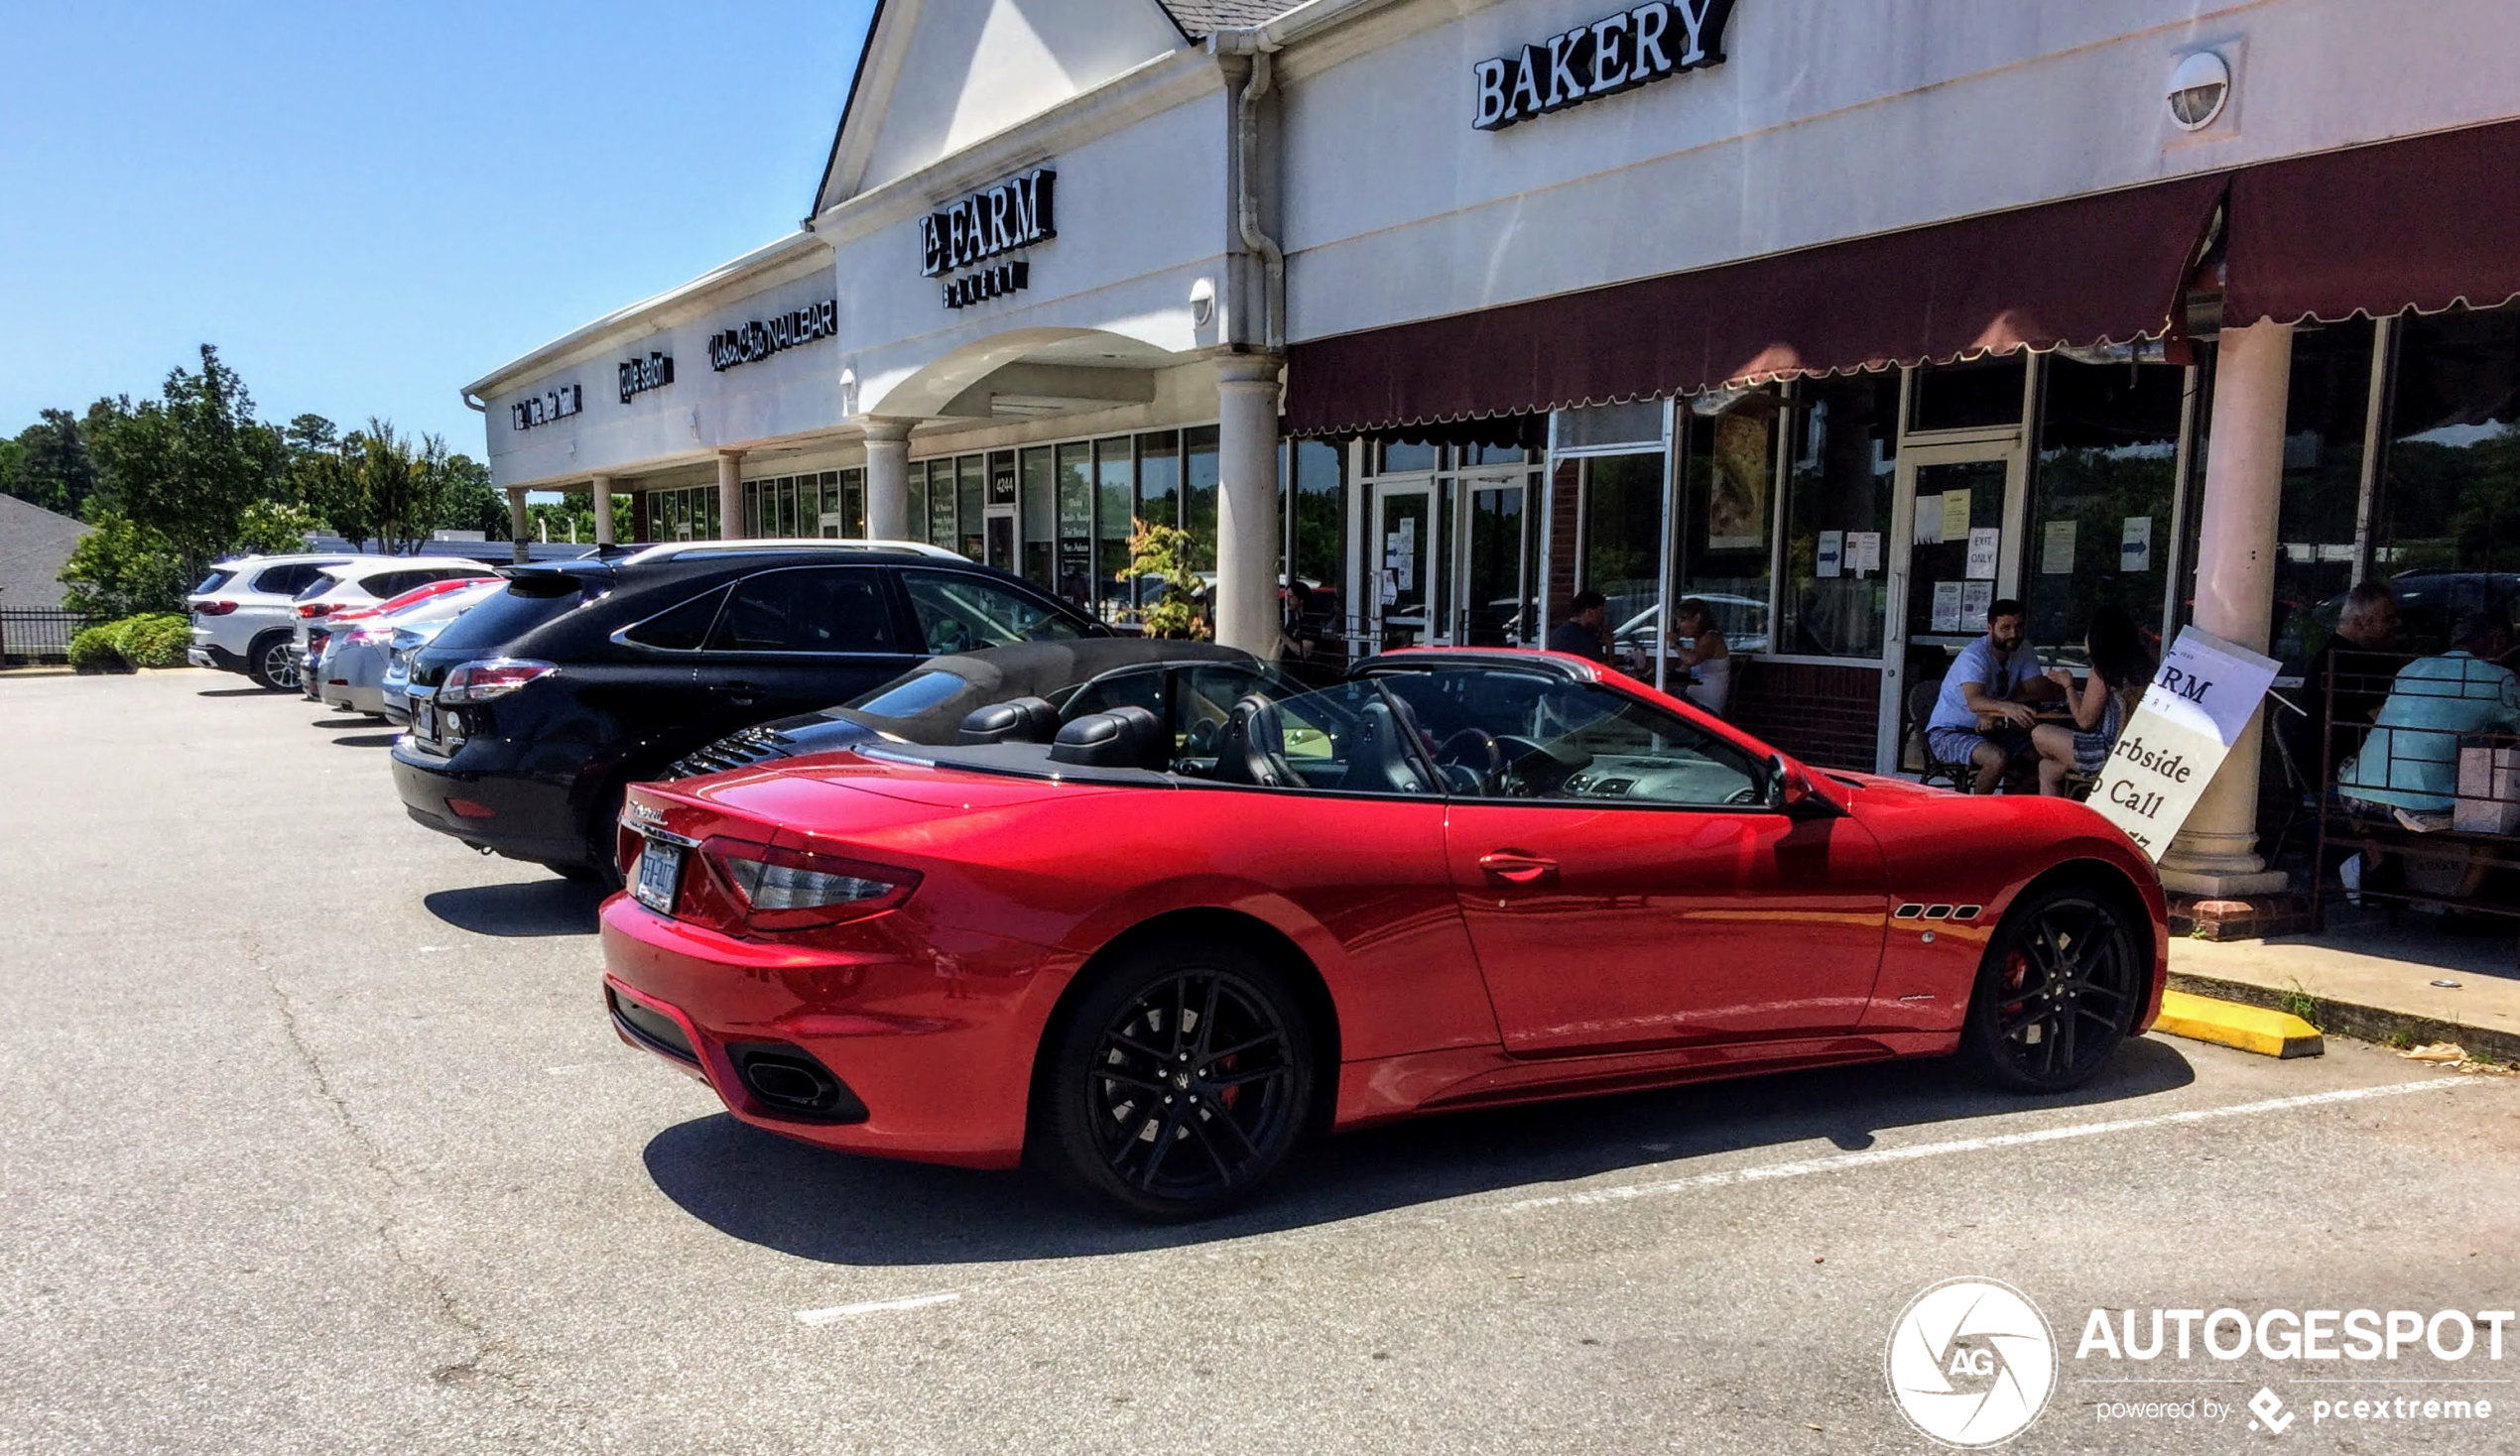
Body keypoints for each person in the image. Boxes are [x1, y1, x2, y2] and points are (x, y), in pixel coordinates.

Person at [2337, 612, 2520, 828]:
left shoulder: (2414, 667)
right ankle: (2478, 861)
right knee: (2495, 788)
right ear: (2497, 641)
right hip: (2422, 808)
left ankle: (2377, 858)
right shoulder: (2502, 681)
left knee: (2349, 764)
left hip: (2358, 799)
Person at [1926, 598, 2061, 793]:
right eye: (2005, 628)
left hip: (1992, 731)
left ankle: (2013, 809)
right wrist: (2007, 708)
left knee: (2043, 756)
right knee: (1996, 758)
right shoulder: (1974, 656)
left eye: (2018, 626)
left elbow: (2039, 690)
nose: (2013, 634)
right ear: (1990, 628)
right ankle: (1980, 815)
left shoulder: (2024, 649)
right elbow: (1975, 701)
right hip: (1950, 732)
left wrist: (1997, 712)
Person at [2030, 606, 2153, 796]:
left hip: (2107, 752)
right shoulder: (2146, 667)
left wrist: (2068, 685)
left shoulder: (2103, 669)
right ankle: (2054, 822)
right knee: (2047, 768)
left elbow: (2084, 721)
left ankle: (2052, 824)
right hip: (2138, 753)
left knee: (2039, 733)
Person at [2291, 580, 2402, 776]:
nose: (2397, 624)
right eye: (2388, 619)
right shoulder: (2341, 665)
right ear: (2359, 623)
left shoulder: (2356, 658)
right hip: (2339, 774)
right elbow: (2385, 718)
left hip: (2353, 767)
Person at [1670, 597, 1731, 715]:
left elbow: (1692, 660)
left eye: (1681, 621)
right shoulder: (1699, 641)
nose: (1678, 627)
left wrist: (1675, 645)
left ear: (1697, 618)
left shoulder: (1711, 637)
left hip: (1706, 709)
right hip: (1695, 700)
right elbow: (1684, 668)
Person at [1548, 589, 1609, 662]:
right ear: (1589, 612)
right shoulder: (1587, 638)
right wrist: (1610, 644)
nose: (1602, 616)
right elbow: (1604, 667)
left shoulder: (1556, 634)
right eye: (1600, 611)